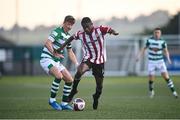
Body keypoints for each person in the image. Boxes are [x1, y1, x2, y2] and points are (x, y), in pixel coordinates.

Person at [57, 17, 119, 109]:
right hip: (88, 59)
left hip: (99, 62)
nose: (86, 29)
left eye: (87, 27)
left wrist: (113, 32)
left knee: (99, 87)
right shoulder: (81, 34)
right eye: (84, 27)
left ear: (91, 25)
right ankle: (74, 90)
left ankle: (96, 97)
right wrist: (61, 47)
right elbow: (71, 38)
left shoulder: (99, 29)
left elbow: (109, 29)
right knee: (79, 71)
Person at [40, 15, 79, 111]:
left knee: (69, 80)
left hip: (56, 61)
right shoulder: (57, 31)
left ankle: (64, 103)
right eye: (68, 24)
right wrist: (54, 53)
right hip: (47, 58)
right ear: (64, 22)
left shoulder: (68, 36)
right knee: (58, 76)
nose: (69, 27)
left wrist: (77, 64)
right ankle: (52, 100)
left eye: (71, 25)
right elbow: (47, 42)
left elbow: (70, 52)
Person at [136, 27, 178, 98]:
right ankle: (151, 91)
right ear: (153, 33)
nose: (157, 34)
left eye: (158, 33)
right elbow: (144, 48)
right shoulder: (149, 41)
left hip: (160, 61)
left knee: (166, 77)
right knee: (151, 78)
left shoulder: (163, 42)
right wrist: (139, 56)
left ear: (160, 34)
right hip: (151, 62)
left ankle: (174, 92)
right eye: (155, 32)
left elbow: (166, 51)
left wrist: (168, 59)